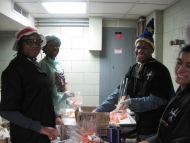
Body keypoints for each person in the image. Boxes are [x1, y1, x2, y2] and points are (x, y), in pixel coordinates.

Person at [93, 18, 174, 141]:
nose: (140, 50)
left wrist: (131, 103)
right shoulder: (133, 69)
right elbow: (119, 93)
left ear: (152, 50)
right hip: (138, 121)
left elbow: (157, 100)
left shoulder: (160, 70)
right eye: (138, 47)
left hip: (154, 125)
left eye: (145, 48)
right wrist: (97, 111)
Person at [0, 27, 63, 143]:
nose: (35, 45)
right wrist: (40, 128)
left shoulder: (34, 65)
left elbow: (42, 98)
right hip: (26, 137)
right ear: (20, 44)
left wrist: (55, 116)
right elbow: (6, 111)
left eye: (38, 42)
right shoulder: (13, 71)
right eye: (29, 41)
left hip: (44, 134)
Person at [140, 45, 190, 143]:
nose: (180, 69)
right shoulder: (180, 92)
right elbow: (166, 134)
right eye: (179, 62)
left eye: (189, 66)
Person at [39, 35, 75, 114]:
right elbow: (45, 90)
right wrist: (62, 98)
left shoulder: (57, 63)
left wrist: (68, 100)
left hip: (61, 104)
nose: (55, 48)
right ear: (44, 48)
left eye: (57, 46)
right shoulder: (44, 65)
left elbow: (61, 86)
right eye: (51, 45)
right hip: (51, 106)